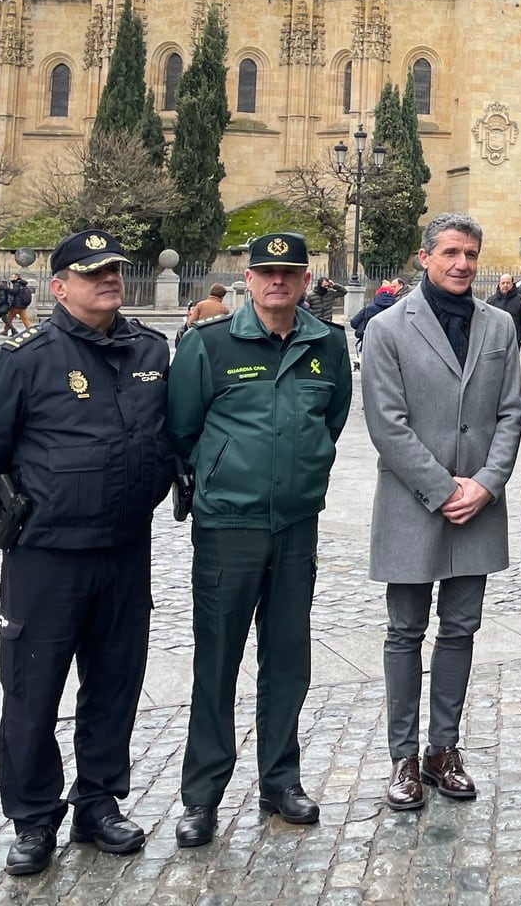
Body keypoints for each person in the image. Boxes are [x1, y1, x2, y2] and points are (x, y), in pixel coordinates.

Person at [0, 230, 173, 877]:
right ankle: (34, 818)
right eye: (92, 271)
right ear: (60, 286)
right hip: (47, 559)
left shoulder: (151, 351)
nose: (109, 279)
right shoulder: (25, 358)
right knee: (32, 692)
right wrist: (14, 517)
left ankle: (98, 803)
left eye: (115, 271)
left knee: (114, 686)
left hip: (126, 554)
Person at [167, 232, 353, 847]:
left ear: (305, 280)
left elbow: (333, 418)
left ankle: (280, 779)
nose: (278, 281)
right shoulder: (209, 344)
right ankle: (202, 795)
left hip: (296, 525)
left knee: (288, 659)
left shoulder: (327, 346)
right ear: (247, 279)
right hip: (229, 527)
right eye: (266, 272)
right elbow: (184, 426)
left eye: (290, 272)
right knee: (216, 663)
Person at [361, 215, 521, 811]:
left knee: (461, 628)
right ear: (422, 257)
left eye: (472, 254)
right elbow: (386, 423)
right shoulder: (386, 328)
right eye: (451, 253)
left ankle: (443, 749)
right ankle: (403, 756)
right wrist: (442, 488)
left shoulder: (500, 325)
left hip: (477, 505)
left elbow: (511, 412)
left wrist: (485, 484)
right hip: (411, 502)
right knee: (404, 631)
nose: (462, 264)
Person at [487, 272, 521, 343]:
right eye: (503, 283)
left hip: (514, 340)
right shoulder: (491, 301)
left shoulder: (520, 300)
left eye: (508, 283)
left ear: (512, 284)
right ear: (499, 284)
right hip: (495, 340)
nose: (505, 285)